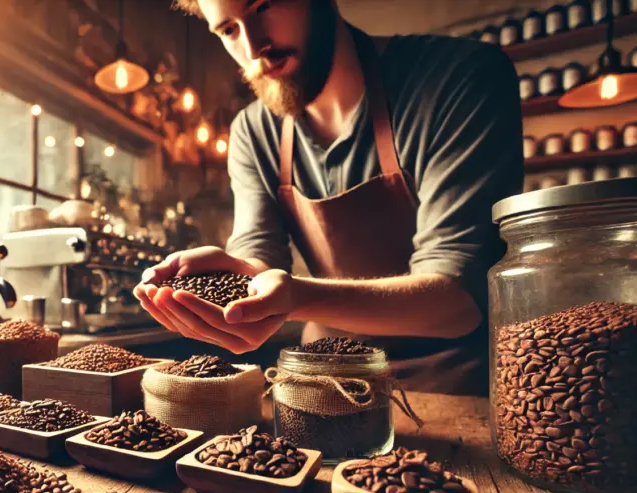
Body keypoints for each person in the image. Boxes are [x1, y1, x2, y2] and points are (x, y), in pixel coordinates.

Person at [135, 0, 523, 395]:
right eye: (229, 30)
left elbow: (459, 300)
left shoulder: (459, 78)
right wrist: (235, 276)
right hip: (326, 386)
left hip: (454, 387)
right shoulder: (253, 132)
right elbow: (258, 256)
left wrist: (296, 297)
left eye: (264, 6)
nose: (253, 48)